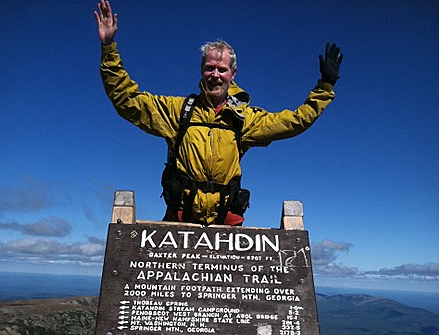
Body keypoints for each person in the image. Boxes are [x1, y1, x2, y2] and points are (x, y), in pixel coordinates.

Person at [95, 0, 342, 226]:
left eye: (222, 69)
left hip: (227, 222)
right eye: (209, 68)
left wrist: (325, 87)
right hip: (181, 220)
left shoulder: (245, 119)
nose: (215, 75)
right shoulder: (178, 111)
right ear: (201, 71)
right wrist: (108, 47)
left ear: (233, 74)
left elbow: (294, 122)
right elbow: (127, 99)